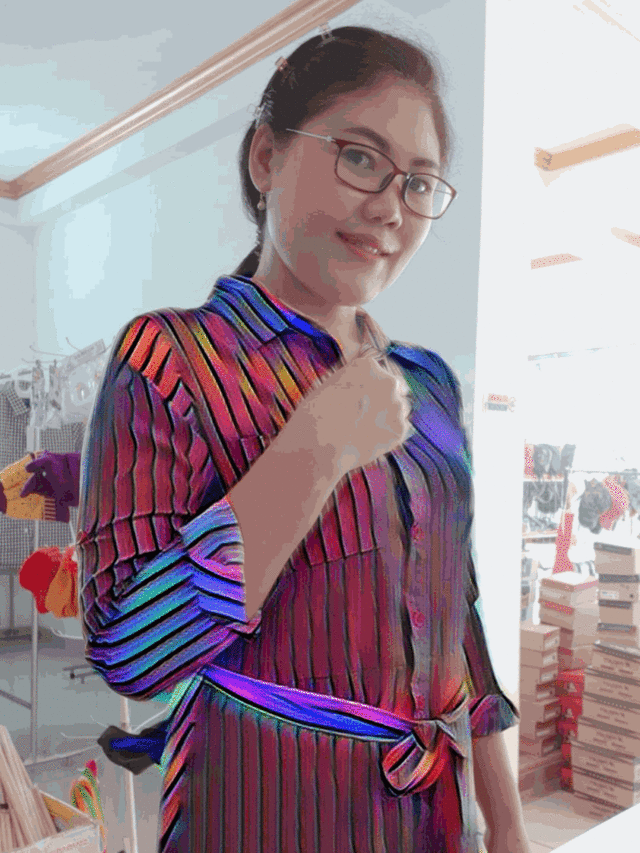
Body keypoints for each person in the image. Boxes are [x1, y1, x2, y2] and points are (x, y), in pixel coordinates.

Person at [77, 26, 531, 853]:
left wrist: (506, 823)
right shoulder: (171, 359)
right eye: (359, 157)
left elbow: (456, 608)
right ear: (265, 157)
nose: (391, 208)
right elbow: (128, 652)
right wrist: (312, 452)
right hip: (259, 807)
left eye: (418, 182)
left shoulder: (427, 382)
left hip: (431, 818)